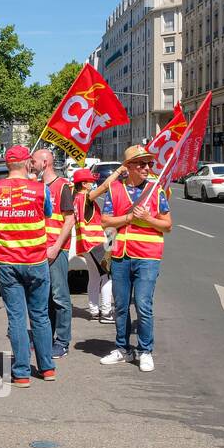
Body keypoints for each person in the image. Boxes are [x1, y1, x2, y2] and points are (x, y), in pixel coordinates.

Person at [0, 145, 55, 387]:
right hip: (36, 261)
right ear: (27, 163)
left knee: (16, 317)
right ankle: (47, 368)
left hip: (7, 262)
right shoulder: (41, 189)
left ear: (7, 164)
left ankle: (22, 373)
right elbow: (48, 214)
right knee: (40, 316)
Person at [98, 145, 171, 373]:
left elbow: (167, 225)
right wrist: (129, 218)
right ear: (128, 167)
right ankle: (122, 348)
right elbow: (105, 221)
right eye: (141, 164)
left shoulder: (155, 190)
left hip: (147, 256)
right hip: (121, 254)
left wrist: (148, 218)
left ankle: (145, 350)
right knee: (120, 305)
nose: (147, 168)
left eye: (149, 164)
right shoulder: (115, 189)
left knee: (143, 304)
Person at [32, 147, 75, 360]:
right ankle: (44, 338)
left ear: (45, 162)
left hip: (55, 250)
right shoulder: (37, 187)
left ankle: (62, 341)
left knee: (60, 297)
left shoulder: (63, 186)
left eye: (34, 161)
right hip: (39, 250)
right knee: (43, 297)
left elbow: (69, 219)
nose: (32, 165)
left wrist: (56, 247)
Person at [71, 168, 112, 322]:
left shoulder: (75, 199)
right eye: (90, 182)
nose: (93, 184)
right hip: (94, 242)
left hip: (85, 244)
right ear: (83, 184)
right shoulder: (85, 198)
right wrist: (120, 170)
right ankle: (106, 312)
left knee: (94, 277)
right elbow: (104, 187)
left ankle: (94, 310)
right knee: (107, 276)